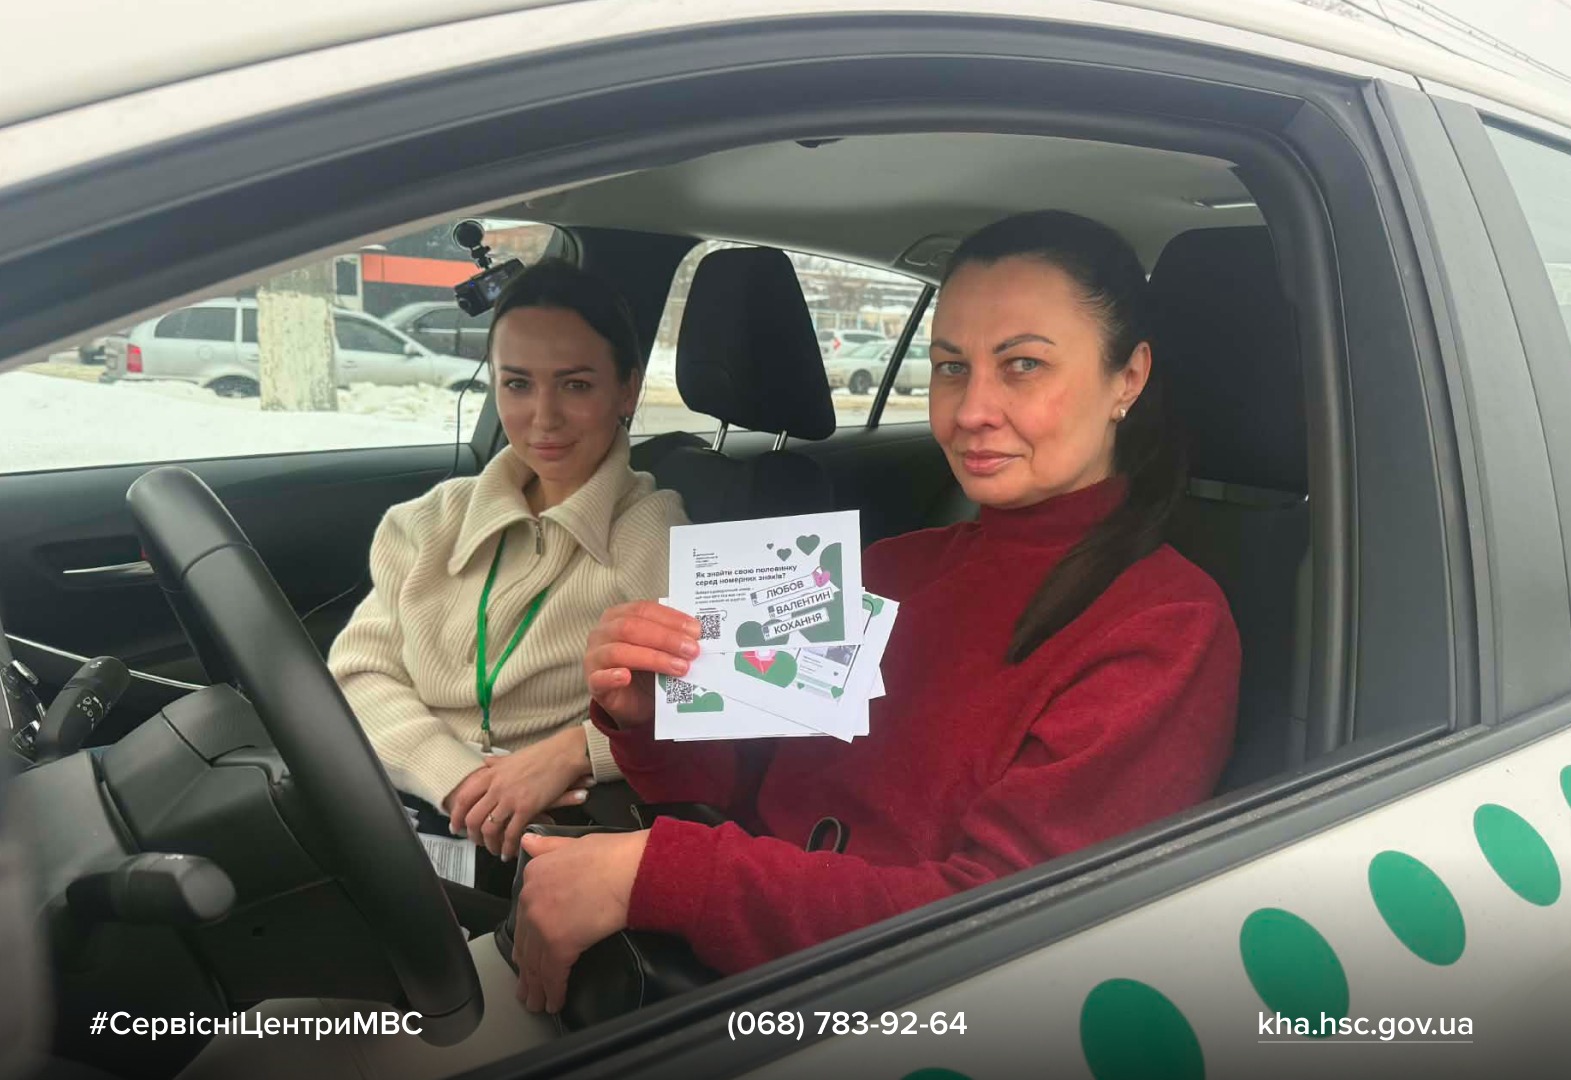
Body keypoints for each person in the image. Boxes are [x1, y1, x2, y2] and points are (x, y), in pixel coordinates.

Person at [508, 211, 1241, 1013]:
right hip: (719, 973)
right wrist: (650, 716)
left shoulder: (1163, 623)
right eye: (951, 366)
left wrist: (661, 875)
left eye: (1023, 365)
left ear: (1126, 379)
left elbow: (1003, 926)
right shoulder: (887, 568)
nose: (970, 410)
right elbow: (735, 793)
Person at [327, 258, 686, 865]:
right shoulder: (427, 521)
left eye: (576, 385)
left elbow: (695, 712)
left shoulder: (657, 534)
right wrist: (461, 779)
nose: (543, 417)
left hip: (546, 844)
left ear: (626, 389)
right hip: (395, 810)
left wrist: (577, 750)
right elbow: (359, 675)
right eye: (518, 384)